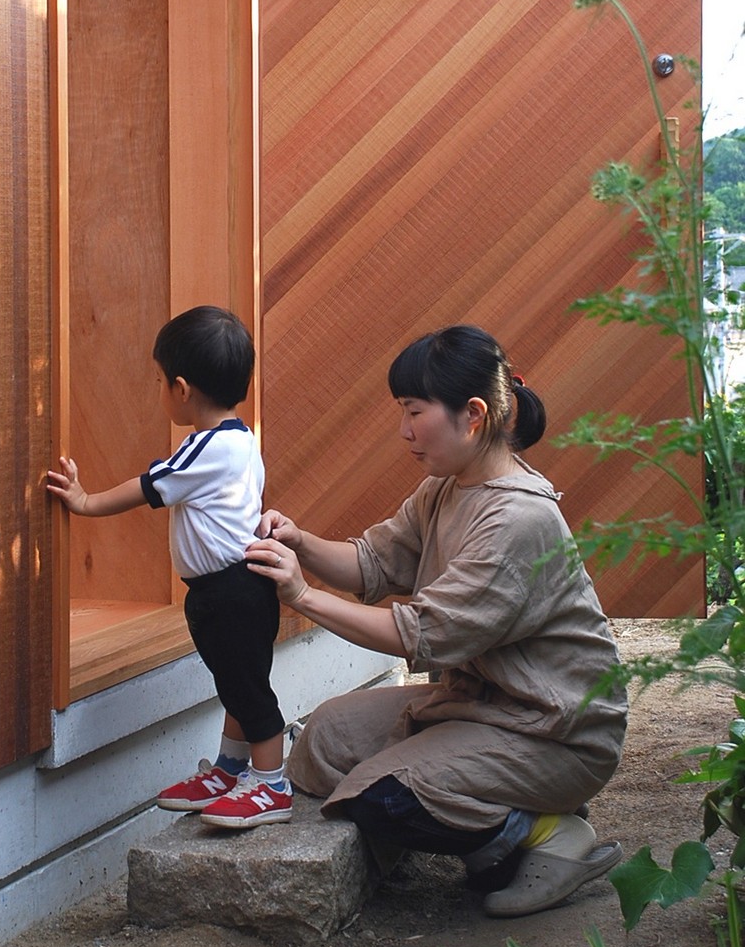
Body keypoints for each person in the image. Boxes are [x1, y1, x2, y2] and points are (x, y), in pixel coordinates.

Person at [244, 323, 627, 916]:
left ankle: (549, 834)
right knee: (325, 740)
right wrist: (300, 541)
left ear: (472, 415)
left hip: (552, 731)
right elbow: (372, 562)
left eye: (414, 411)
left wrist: (303, 596)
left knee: (385, 798)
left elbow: (419, 634)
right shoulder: (444, 488)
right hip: (479, 706)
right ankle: (496, 816)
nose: (404, 430)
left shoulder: (517, 521)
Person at [47, 305, 291, 830]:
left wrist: (85, 501)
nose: (159, 391)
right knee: (237, 684)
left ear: (181, 389)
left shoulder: (203, 449)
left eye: (158, 381)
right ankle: (231, 769)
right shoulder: (243, 441)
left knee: (248, 689)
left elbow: (147, 486)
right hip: (238, 589)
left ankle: (272, 785)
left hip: (230, 592)